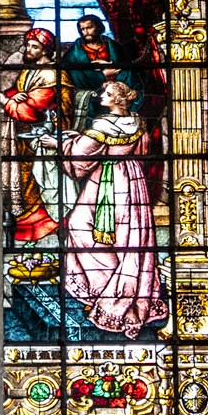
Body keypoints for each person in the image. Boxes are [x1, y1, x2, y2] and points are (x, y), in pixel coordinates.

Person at [46, 76, 168, 336]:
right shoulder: (137, 122)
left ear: (118, 99)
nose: (101, 96)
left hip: (107, 181)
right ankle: (123, 282)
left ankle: (106, 286)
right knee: (129, 235)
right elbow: (141, 151)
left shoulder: (103, 124)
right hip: (133, 180)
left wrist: (59, 144)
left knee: (79, 226)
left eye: (106, 93)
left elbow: (82, 154)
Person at [1, 26, 67, 245]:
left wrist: (4, 100)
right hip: (25, 140)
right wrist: (12, 96)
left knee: (37, 183)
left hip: (42, 138)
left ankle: (42, 226)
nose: (28, 49)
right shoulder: (31, 70)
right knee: (27, 183)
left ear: (45, 50)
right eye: (28, 44)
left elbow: (32, 110)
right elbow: (23, 95)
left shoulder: (51, 74)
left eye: (34, 46)